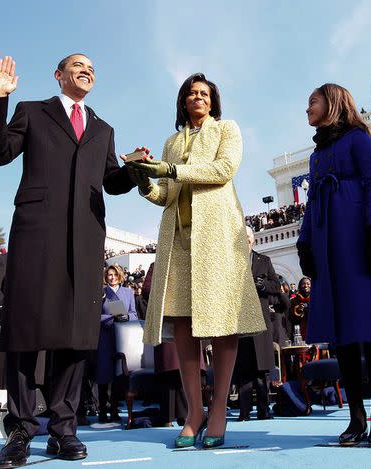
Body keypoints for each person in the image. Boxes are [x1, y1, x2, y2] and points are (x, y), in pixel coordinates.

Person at [0, 54, 136, 468]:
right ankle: (20, 430)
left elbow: (112, 182)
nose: (87, 70)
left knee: (77, 333)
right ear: (59, 74)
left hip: (85, 238)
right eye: (78, 65)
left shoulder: (103, 129)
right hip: (36, 233)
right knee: (25, 330)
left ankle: (64, 427)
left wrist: (133, 170)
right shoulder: (32, 111)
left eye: (92, 68)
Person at [125, 73, 265, 449]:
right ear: (183, 102)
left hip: (218, 237)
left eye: (204, 93)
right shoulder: (172, 142)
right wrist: (144, 181)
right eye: (191, 93)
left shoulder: (227, 130)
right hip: (179, 239)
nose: (198, 97)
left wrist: (170, 170)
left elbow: (223, 171)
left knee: (222, 323)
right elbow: (166, 194)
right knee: (182, 324)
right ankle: (194, 411)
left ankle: (218, 408)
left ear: (213, 101)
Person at [297, 83, 371, 447]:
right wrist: (304, 242)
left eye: (312, 102)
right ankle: (355, 416)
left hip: (357, 239)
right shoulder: (316, 155)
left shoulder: (358, 139)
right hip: (328, 244)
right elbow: (311, 202)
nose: (307, 109)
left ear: (332, 102)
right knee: (341, 331)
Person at [234, 227, 280, 421]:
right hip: (240, 318)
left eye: (248, 237)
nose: (246, 240)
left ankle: (264, 410)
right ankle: (244, 412)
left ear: (253, 240)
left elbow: (277, 286)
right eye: (242, 238)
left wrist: (263, 286)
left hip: (261, 319)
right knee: (244, 369)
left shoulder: (264, 261)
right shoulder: (232, 260)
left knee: (262, 369)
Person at [97, 265, 137, 422]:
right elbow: (95, 316)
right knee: (103, 373)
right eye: (109, 274)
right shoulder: (102, 292)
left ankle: (114, 410)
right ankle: (102, 410)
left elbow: (134, 313)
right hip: (105, 337)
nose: (111, 277)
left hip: (122, 338)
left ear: (119, 275)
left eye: (114, 274)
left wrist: (127, 317)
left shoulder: (128, 292)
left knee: (118, 374)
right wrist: (111, 318)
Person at [289, 277, 311, 341]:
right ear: (300, 286)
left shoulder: (316, 299)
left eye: (308, 284)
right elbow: (291, 318)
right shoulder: (294, 300)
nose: (306, 286)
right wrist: (298, 310)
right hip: (299, 332)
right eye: (303, 284)